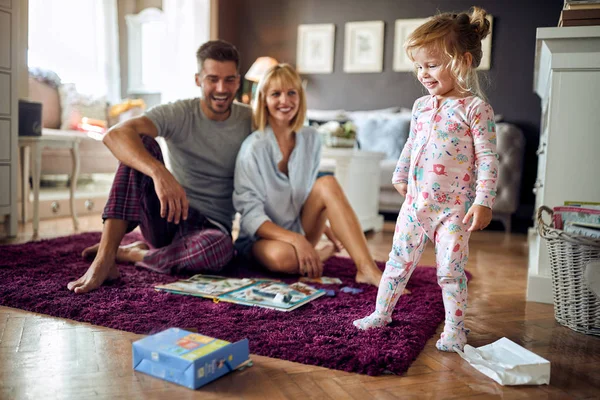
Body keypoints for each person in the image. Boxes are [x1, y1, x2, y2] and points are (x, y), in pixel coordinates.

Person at [353, 7, 499, 352]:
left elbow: (488, 158)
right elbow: (411, 143)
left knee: (450, 270)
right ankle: (381, 313)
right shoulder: (420, 106)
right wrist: (400, 172)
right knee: (396, 263)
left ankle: (455, 328)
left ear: (462, 62)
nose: (423, 73)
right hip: (415, 204)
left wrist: (483, 200)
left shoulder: (475, 109)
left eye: (431, 65)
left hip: (452, 211)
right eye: (419, 66)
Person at [67, 40, 252, 294]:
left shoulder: (250, 119)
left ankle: (133, 256)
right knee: (138, 141)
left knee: (219, 251)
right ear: (198, 79)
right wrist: (159, 172)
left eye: (229, 80)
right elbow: (114, 135)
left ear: (238, 80)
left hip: (211, 230)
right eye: (213, 79)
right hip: (169, 214)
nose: (221, 88)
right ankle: (105, 257)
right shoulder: (180, 112)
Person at [232, 63, 382, 286]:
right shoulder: (253, 148)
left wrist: (326, 229)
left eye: (292, 93)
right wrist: (296, 240)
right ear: (263, 100)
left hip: (300, 230)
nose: (285, 101)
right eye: (276, 94)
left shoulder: (311, 138)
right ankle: (319, 253)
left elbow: (311, 194)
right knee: (282, 258)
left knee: (327, 182)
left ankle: (367, 269)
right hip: (262, 239)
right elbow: (251, 216)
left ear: (300, 97)